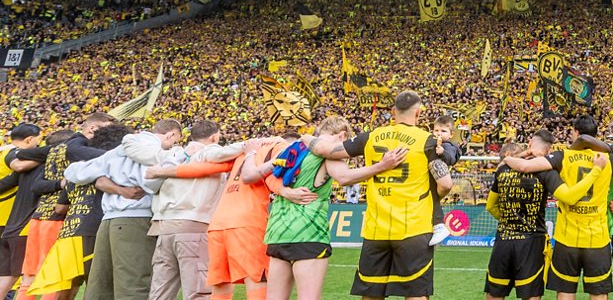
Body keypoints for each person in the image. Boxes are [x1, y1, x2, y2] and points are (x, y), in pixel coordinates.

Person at [499, 113, 613, 300]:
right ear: (596, 135)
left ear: (575, 133)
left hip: (568, 239)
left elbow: (525, 167)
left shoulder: (562, 156)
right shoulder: (608, 159)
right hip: (597, 239)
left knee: (566, 292)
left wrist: (508, 159)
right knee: (598, 293)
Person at [308, 91, 436, 300]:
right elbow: (445, 182)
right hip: (413, 228)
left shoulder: (371, 136)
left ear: (393, 111)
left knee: (371, 293)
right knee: (415, 293)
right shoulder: (427, 140)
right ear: (418, 113)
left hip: (376, 228)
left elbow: (329, 152)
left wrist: (307, 139)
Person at [266, 116, 406, 300]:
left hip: (277, 231)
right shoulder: (326, 154)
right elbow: (345, 177)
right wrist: (382, 166)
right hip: (308, 232)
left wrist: (284, 191)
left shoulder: (293, 148)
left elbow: (269, 177)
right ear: (341, 136)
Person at [145, 130, 293, 300]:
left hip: (217, 225)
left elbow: (204, 168)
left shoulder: (242, 153)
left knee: (221, 284)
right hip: (248, 222)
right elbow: (270, 179)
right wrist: (288, 192)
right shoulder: (281, 149)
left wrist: (161, 172)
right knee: (257, 279)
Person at [64, 118, 183, 300]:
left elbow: (73, 172)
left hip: (108, 221)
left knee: (101, 284)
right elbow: (149, 184)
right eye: (175, 141)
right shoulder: (153, 152)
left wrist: (111, 182)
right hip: (136, 218)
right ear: (171, 135)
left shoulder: (115, 152)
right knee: (135, 282)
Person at [484, 134, 606, 300]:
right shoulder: (547, 171)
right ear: (549, 150)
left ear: (529, 144)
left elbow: (490, 206)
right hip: (532, 241)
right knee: (531, 293)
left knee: (495, 292)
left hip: (504, 240)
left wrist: (512, 219)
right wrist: (596, 171)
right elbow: (569, 196)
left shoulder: (503, 169)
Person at [28, 122, 131, 300]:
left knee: (66, 288)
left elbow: (59, 207)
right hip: (95, 231)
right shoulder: (112, 167)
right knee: (97, 287)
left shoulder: (79, 170)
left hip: (70, 232)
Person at [0, 123, 41, 298]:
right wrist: (51, 155)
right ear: (30, 139)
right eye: (38, 143)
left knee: (6, 271)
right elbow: (18, 166)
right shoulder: (11, 151)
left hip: (7, 220)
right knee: (15, 271)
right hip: (10, 220)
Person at [427, 115, 461, 247]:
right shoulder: (436, 143)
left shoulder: (449, 146)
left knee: (432, 198)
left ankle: (439, 225)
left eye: (443, 131)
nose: (439, 134)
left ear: (452, 134)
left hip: (437, 179)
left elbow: (451, 158)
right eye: (436, 131)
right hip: (433, 178)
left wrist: (442, 152)